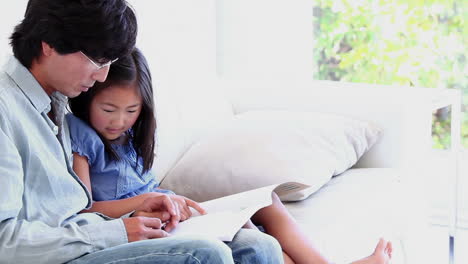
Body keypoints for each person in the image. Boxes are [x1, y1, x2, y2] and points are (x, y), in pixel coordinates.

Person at [0, 0, 283, 263]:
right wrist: (118, 232)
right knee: (202, 255)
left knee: (257, 246)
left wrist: (135, 214)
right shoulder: (5, 109)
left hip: (81, 242)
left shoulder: (56, 103)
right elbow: (5, 243)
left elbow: (67, 214)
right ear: (48, 43)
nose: (102, 76)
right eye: (98, 61)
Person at [67, 46, 393, 264]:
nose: (119, 120)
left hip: (172, 210)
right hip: (141, 222)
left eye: (131, 110)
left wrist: (164, 200)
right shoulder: (81, 135)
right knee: (248, 234)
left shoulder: (131, 136)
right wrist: (143, 202)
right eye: (108, 109)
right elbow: (86, 209)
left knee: (265, 205)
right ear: (88, 98)